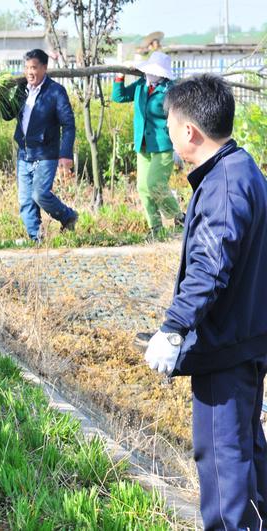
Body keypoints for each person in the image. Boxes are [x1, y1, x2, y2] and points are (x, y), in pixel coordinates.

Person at [143, 74, 267, 529]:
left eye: (170, 128)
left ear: (190, 131)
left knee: (223, 459)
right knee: (247, 452)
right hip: (245, 340)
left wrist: (173, 327)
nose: (170, 138)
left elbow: (210, 267)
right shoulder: (241, 168)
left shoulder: (224, 186)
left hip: (224, 349)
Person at [112, 51, 184, 236]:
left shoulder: (170, 90)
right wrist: (120, 76)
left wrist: (179, 145)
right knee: (143, 187)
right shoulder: (140, 85)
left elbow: (179, 117)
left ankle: (178, 218)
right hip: (143, 144)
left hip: (163, 145)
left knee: (155, 183)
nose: (151, 74)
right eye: (149, 70)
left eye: (155, 71)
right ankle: (156, 228)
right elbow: (119, 97)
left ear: (163, 74)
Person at [11, 48, 78, 242]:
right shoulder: (22, 90)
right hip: (24, 153)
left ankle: (67, 216)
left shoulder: (56, 92)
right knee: (25, 201)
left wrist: (65, 154)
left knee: (39, 194)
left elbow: (68, 124)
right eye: (26, 68)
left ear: (44, 68)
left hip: (46, 153)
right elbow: (9, 114)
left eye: (33, 68)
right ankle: (37, 239)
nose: (29, 72)